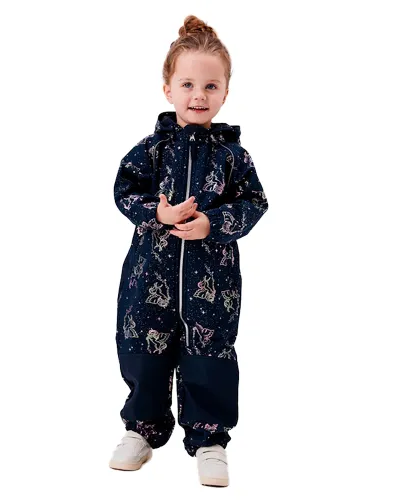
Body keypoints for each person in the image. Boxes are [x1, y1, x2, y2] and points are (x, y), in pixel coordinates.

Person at [109, 14, 269, 487]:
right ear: (168, 90)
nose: (199, 95)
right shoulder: (150, 150)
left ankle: (210, 440)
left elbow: (254, 202)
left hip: (212, 282)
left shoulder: (233, 156)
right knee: (143, 350)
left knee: (209, 353)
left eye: (210, 86)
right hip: (148, 276)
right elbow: (123, 191)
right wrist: (157, 213)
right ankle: (141, 430)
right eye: (188, 85)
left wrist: (212, 224)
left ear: (225, 93)